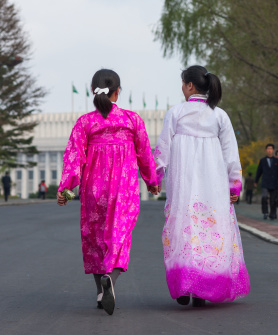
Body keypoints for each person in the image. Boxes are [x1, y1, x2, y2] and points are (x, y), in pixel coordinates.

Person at [56, 69, 159, 315]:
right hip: (124, 188)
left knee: (95, 238)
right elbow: (144, 152)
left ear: (93, 91)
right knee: (119, 235)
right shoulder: (132, 120)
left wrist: (66, 189)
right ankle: (110, 280)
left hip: (94, 188)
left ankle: (101, 293)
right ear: (118, 91)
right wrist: (151, 180)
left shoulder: (85, 122)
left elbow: (74, 158)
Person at [154, 65, 250, 307]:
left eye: (182, 83)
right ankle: (204, 288)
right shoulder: (219, 115)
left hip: (183, 184)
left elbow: (162, 149)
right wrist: (234, 184)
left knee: (183, 230)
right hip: (213, 185)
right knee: (211, 231)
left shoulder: (175, 113)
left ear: (189, 85)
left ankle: (185, 286)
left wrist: (155, 177)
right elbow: (231, 154)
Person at [254, 144, 278, 220]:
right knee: (264, 197)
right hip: (265, 182)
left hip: (274, 183)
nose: (269, 150)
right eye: (268, 149)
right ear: (266, 150)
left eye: (271, 149)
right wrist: (256, 181)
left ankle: (272, 214)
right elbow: (259, 171)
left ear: (273, 150)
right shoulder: (262, 160)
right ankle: (265, 212)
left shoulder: (277, 161)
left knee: (273, 200)